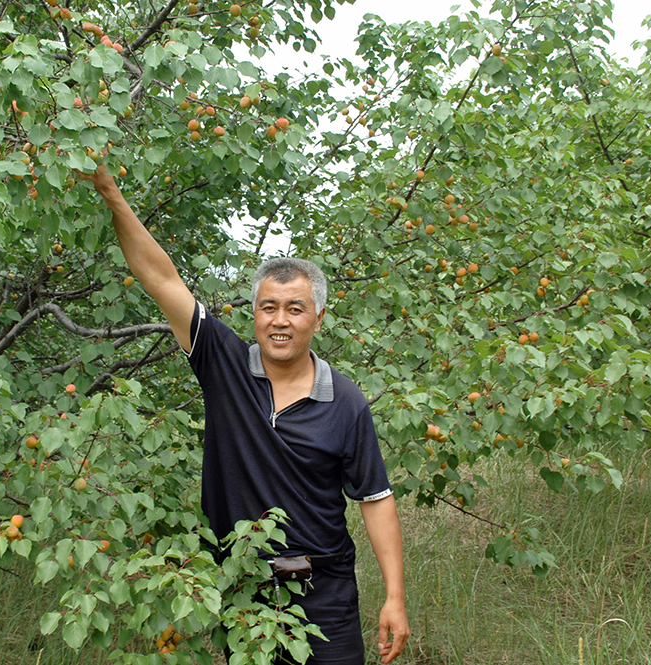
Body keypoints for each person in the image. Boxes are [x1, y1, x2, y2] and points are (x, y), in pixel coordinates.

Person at [81, 164, 410, 664]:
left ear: (317, 318)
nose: (281, 321)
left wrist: (394, 596)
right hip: (238, 586)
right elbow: (159, 276)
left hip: (324, 592)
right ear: (253, 313)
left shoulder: (346, 401)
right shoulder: (223, 363)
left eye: (295, 309)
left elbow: (375, 499)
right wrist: (110, 191)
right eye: (268, 307)